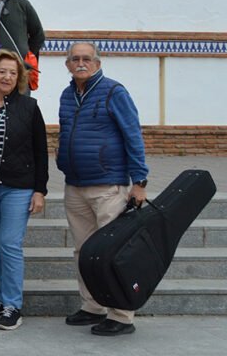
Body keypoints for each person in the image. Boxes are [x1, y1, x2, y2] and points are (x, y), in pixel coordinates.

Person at [57, 42, 149, 336]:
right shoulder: (67, 95)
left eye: (86, 58)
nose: (80, 63)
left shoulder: (114, 92)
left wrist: (139, 182)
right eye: (75, 59)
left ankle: (121, 315)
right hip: (75, 186)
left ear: (97, 63)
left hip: (108, 187)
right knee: (84, 252)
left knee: (113, 252)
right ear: (67, 64)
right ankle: (92, 306)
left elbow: (132, 134)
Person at [0, 50, 48, 331]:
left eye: (13, 73)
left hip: (18, 187)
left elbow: (41, 151)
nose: (7, 77)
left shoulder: (29, 107)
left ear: (19, 77)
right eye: (2, 71)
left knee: (10, 244)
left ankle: (13, 305)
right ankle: (4, 300)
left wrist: (40, 190)